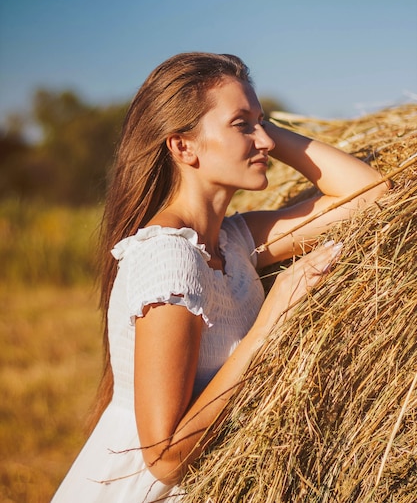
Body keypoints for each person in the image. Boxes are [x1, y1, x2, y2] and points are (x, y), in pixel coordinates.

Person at [51, 52, 388, 502]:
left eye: (261, 122)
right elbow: (164, 459)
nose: (264, 140)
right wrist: (271, 324)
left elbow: (372, 196)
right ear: (183, 146)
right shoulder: (168, 263)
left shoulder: (230, 241)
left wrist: (258, 127)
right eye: (240, 124)